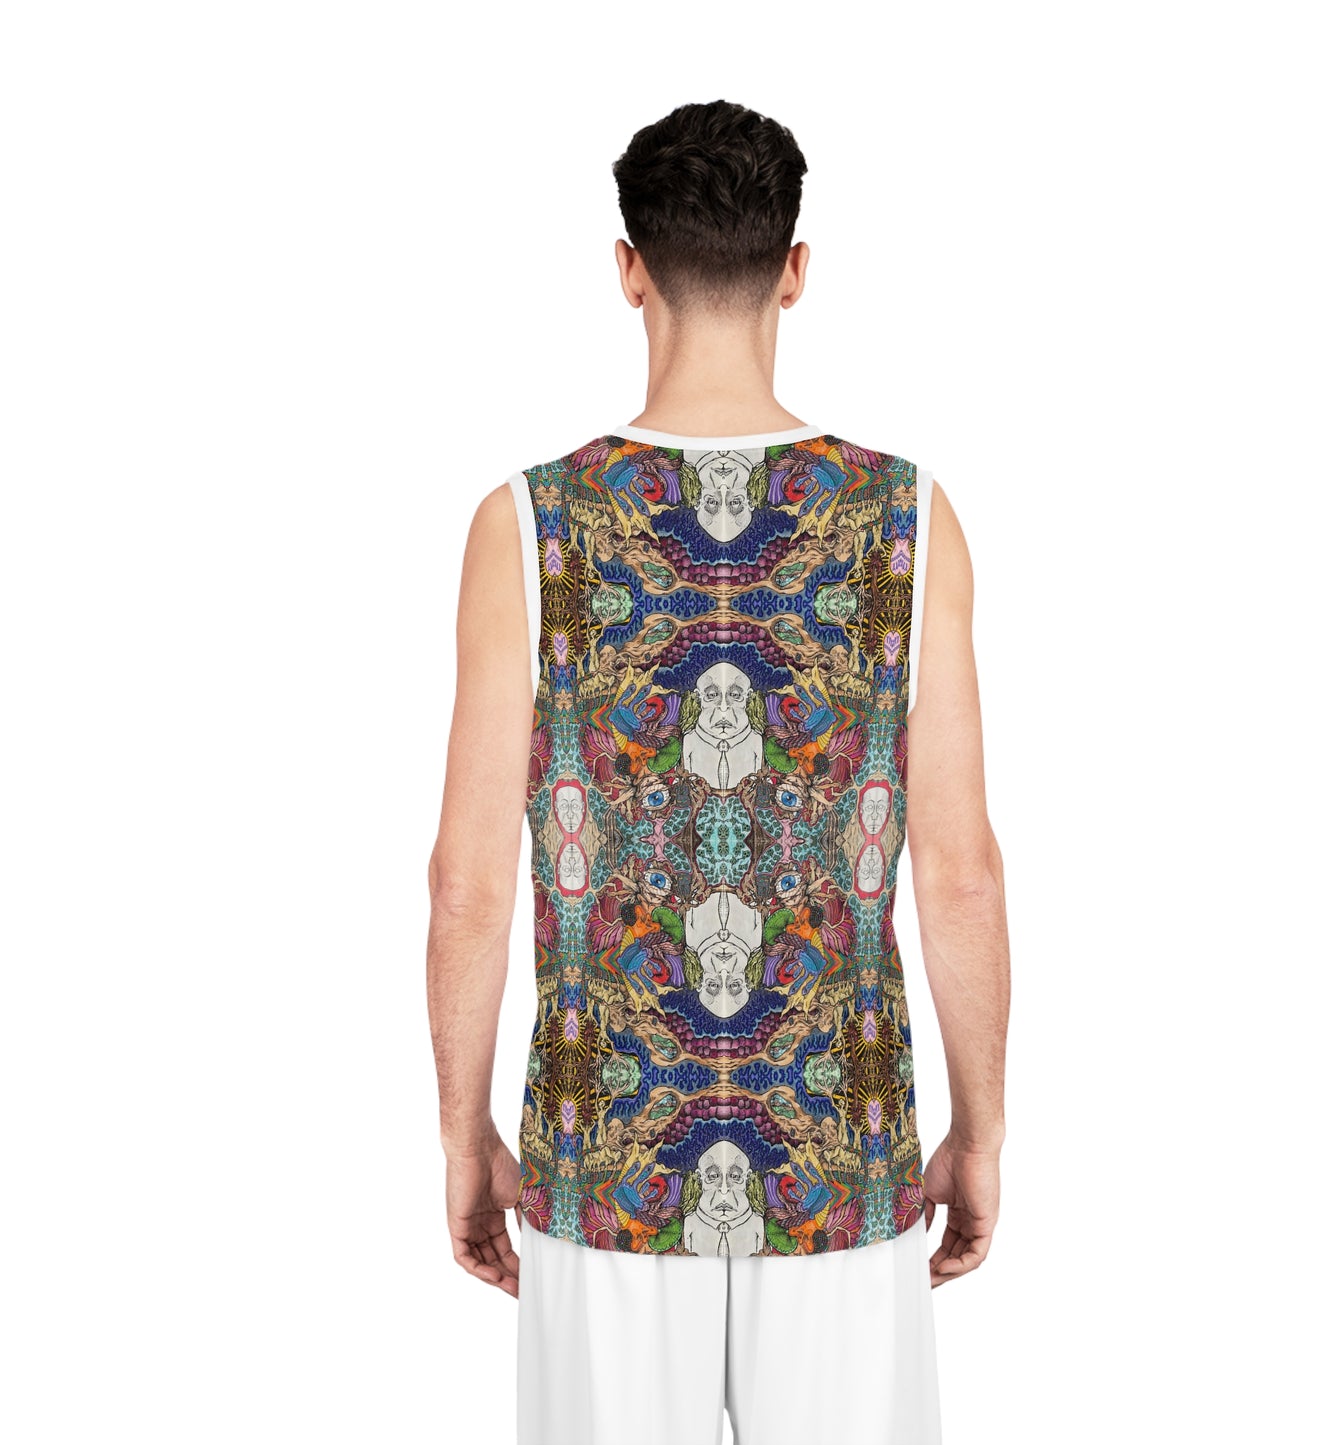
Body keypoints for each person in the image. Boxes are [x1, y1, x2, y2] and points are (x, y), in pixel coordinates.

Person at [426, 99, 1011, 1445]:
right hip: (840, 1160)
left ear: (628, 268)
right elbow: (960, 872)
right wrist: (978, 1132)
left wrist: (465, 1138)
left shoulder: (528, 525)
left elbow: (467, 880)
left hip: (602, 1161)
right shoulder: (907, 519)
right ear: (794, 269)